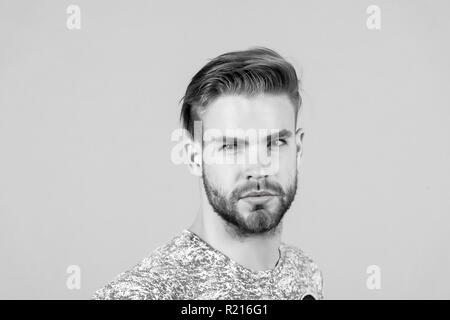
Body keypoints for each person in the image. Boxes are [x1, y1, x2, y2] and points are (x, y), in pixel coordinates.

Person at [92, 47, 324, 300]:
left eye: (276, 143)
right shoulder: (141, 294)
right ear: (193, 157)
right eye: (231, 146)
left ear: (298, 149)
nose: (258, 168)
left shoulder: (304, 271)